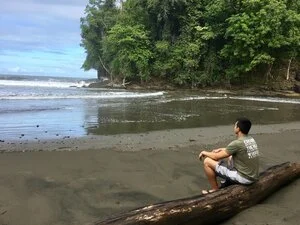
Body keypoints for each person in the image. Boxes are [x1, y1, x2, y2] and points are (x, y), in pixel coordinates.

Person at [199, 117, 259, 194]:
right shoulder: (250, 139)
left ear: (238, 129)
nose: (234, 127)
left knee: (207, 161)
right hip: (253, 176)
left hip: (244, 178)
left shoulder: (237, 143)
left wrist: (204, 152)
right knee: (230, 157)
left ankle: (215, 190)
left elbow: (216, 157)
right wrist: (221, 149)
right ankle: (229, 181)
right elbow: (236, 150)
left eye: (235, 126)